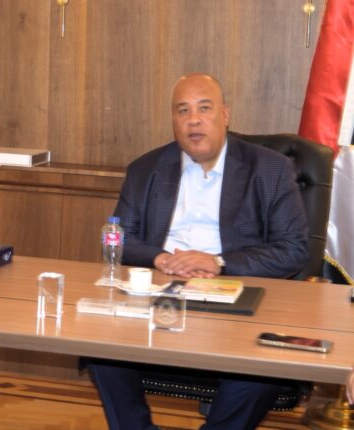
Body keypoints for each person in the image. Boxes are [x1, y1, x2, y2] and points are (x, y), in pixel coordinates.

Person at [88, 73, 309, 429]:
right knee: (99, 348)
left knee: (260, 372)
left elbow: (293, 250)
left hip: (238, 295)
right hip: (162, 290)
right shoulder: (145, 169)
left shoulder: (270, 169)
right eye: (183, 110)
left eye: (204, 108)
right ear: (173, 120)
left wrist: (218, 262)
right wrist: (161, 258)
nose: (193, 119)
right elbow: (120, 238)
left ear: (225, 115)